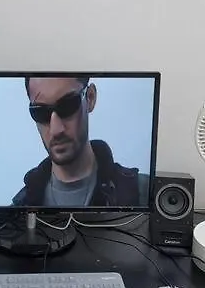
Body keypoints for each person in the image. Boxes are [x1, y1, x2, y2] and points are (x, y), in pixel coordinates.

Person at [12, 76, 148, 207]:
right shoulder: (17, 213)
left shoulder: (144, 194)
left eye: (68, 105)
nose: (56, 129)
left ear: (90, 97)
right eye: (40, 112)